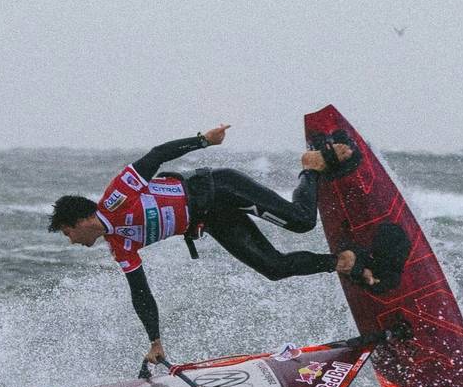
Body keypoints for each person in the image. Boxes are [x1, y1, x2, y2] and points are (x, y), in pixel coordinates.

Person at [48, 124, 376, 365]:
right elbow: (141, 292)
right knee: (273, 268)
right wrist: (155, 340)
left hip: (218, 188)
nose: (71, 241)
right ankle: (343, 262)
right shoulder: (120, 245)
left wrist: (204, 140)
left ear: (77, 222)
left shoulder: (117, 197)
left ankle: (311, 165)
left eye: (67, 233)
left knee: (302, 221)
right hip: (213, 220)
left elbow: (156, 156)